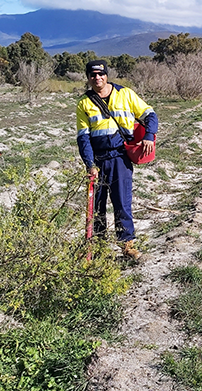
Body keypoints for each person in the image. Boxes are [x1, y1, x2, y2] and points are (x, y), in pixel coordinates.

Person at [76, 60, 158, 259]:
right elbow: (83, 138)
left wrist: (149, 136)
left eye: (101, 74)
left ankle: (127, 246)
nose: (97, 78)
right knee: (97, 206)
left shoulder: (125, 94)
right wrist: (90, 164)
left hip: (120, 158)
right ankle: (99, 248)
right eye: (93, 75)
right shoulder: (84, 103)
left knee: (122, 203)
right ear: (88, 77)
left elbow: (150, 115)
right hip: (98, 160)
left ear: (106, 75)